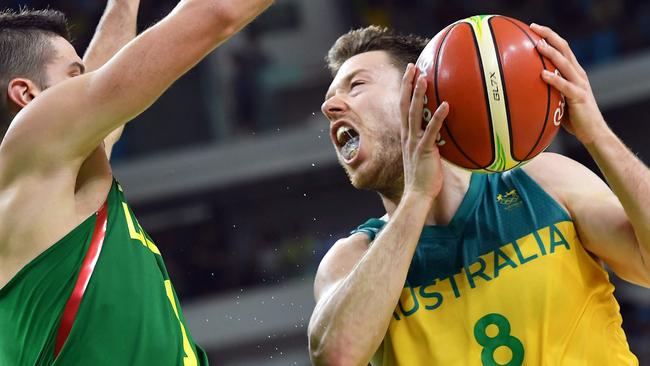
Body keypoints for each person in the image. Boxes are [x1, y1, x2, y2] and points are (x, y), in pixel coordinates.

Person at [308, 23, 647, 365]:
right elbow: (337, 357)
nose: (329, 107)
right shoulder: (350, 259)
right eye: (330, 98)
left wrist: (598, 135)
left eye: (356, 86)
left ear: (420, 95)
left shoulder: (544, 181)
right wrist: (417, 198)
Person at [0, 0, 272, 364]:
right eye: (74, 76)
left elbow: (106, 71)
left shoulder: (49, 181)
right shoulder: (36, 137)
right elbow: (216, 13)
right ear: (27, 95)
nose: (89, 84)